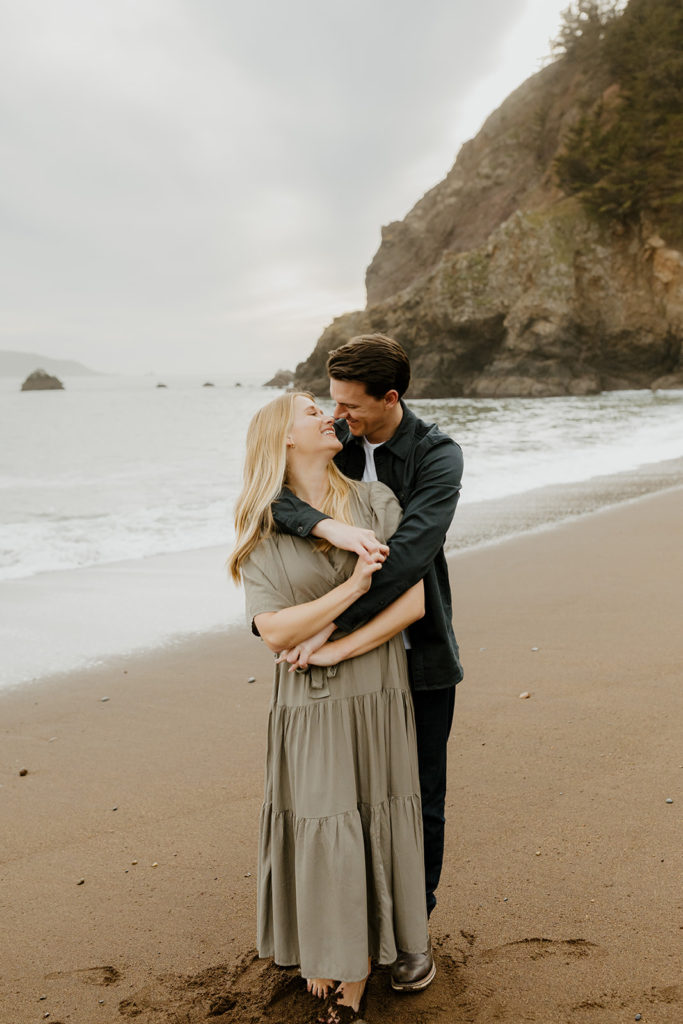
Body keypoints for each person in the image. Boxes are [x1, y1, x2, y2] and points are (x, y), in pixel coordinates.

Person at [228, 391, 430, 1018]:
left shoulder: (374, 502)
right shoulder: (261, 523)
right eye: (310, 411)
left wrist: (335, 649)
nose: (327, 416)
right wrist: (352, 587)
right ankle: (331, 946)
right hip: (308, 701)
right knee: (324, 821)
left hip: (373, 686)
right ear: (282, 439)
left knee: (374, 813)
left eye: (325, 407)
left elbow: (413, 603)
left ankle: (362, 963)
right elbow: (274, 632)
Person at [273, 334, 463, 992]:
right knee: (348, 799)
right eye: (331, 405)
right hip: (349, 669)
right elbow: (267, 493)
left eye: (350, 407)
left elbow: (409, 556)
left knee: (421, 799)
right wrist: (324, 527)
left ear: (391, 398)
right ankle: (345, 928)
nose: (337, 417)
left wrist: (331, 623)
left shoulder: (437, 454)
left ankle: (414, 933)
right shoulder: (339, 442)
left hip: (417, 651)